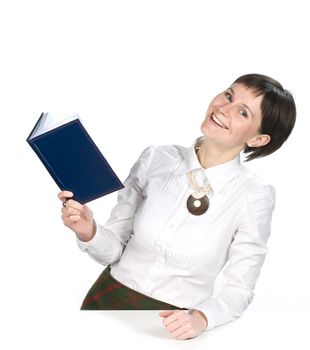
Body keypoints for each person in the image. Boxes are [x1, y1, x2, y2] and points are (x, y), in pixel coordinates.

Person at [58, 73, 296, 340]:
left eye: (242, 112)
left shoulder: (253, 196)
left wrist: (202, 318)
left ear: (258, 139)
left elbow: (240, 290)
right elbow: (113, 252)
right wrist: (88, 230)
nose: (223, 109)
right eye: (228, 95)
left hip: (174, 323)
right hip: (106, 300)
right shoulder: (156, 159)